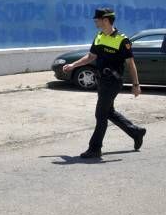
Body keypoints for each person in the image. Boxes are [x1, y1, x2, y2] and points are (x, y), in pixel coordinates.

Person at [63, 8, 146, 159]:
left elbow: (130, 63)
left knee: (100, 114)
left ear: (106, 20)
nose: (95, 22)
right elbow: (90, 57)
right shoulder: (99, 36)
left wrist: (136, 84)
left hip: (113, 82)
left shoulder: (122, 40)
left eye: (97, 19)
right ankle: (135, 132)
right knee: (109, 112)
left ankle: (95, 148)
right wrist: (73, 65)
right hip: (101, 80)